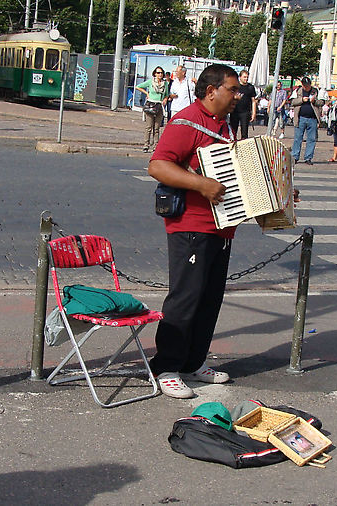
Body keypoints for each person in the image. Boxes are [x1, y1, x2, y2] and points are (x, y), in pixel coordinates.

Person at [146, 63, 239, 399]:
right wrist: (201, 185)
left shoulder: (224, 126)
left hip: (221, 227)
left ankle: (193, 362)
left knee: (209, 299)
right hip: (191, 226)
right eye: (232, 89)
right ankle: (166, 367)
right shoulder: (187, 121)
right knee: (185, 299)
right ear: (211, 90)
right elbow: (158, 165)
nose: (237, 96)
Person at [134, 66, 169, 152]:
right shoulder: (150, 82)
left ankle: (156, 146)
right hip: (150, 105)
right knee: (148, 127)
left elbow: (167, 94)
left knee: (156, 128)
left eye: (161, 73)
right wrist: (147, 93)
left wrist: (165, 99)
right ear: (154, 74)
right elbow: (138, 86)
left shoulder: (165, 84)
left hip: (159, 106)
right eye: (158, 73)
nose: (160, 74)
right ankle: (146, 145)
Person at [290, 76, 324, 165]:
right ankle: (295, 156)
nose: (307, 87)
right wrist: (301, 100)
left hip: (312, 119)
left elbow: (322, 102)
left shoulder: (315, 91)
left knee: (311, 139)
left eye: (308, 85)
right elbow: (292, 102)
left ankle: (308, 157)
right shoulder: (297, 91)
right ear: (302, 85)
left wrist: (314, 101)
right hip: (300, 118)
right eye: (305, 85)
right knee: (298, 138)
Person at [229, 70, 257, 139]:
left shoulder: (250, 87)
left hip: (245, 112)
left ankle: (244, 144)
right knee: (233, 131)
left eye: (247, 77)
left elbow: (253, 101)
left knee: (244, 132)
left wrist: (254, 113)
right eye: (244, 77)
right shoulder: (236, 86)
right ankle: (233, 143)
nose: (246, 79)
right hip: (235, 111)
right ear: (240, 77)